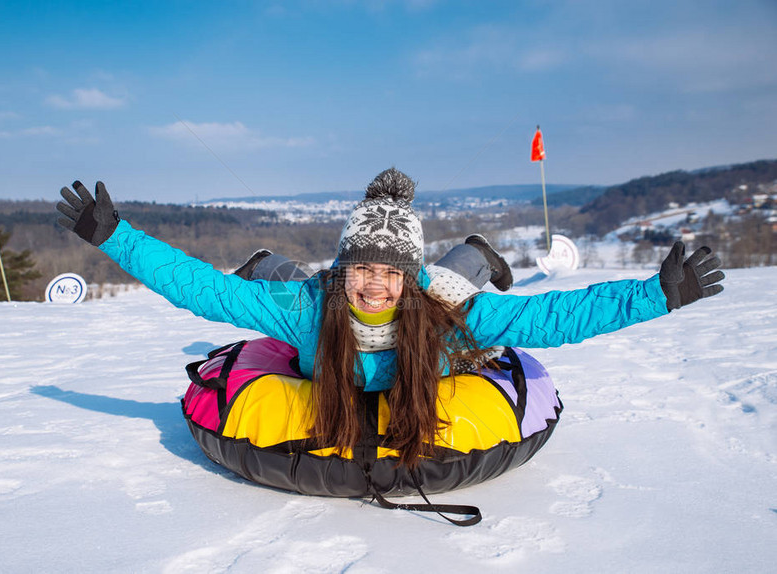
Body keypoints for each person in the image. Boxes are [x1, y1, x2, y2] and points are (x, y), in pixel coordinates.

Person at [56, 168, 724, 469]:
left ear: (408, 274)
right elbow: (204, 292)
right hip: (305, 289)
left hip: (448, 314)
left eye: (388, 271)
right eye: (363, 267)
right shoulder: (314, 305)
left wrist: (655, 295)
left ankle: (478, 251)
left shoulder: (443, 311)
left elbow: (550, 317)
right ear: (347, 265)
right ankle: (269, 259)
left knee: (465, 296)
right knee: (273, 280)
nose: (374, 284)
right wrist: (117, 237)